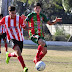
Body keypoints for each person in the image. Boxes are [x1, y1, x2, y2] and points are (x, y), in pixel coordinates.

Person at [0, 6, 30, 72]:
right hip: (11, 38)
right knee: (18, 52)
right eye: (12, 13)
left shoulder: (19, 19)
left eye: (14, 13)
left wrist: (29, 27)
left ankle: (9, 55)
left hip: (20, 38)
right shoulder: (5, 19)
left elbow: (24, 27)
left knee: (18, 53)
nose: (13, 14)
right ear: (9, 12)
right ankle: (24, 68)